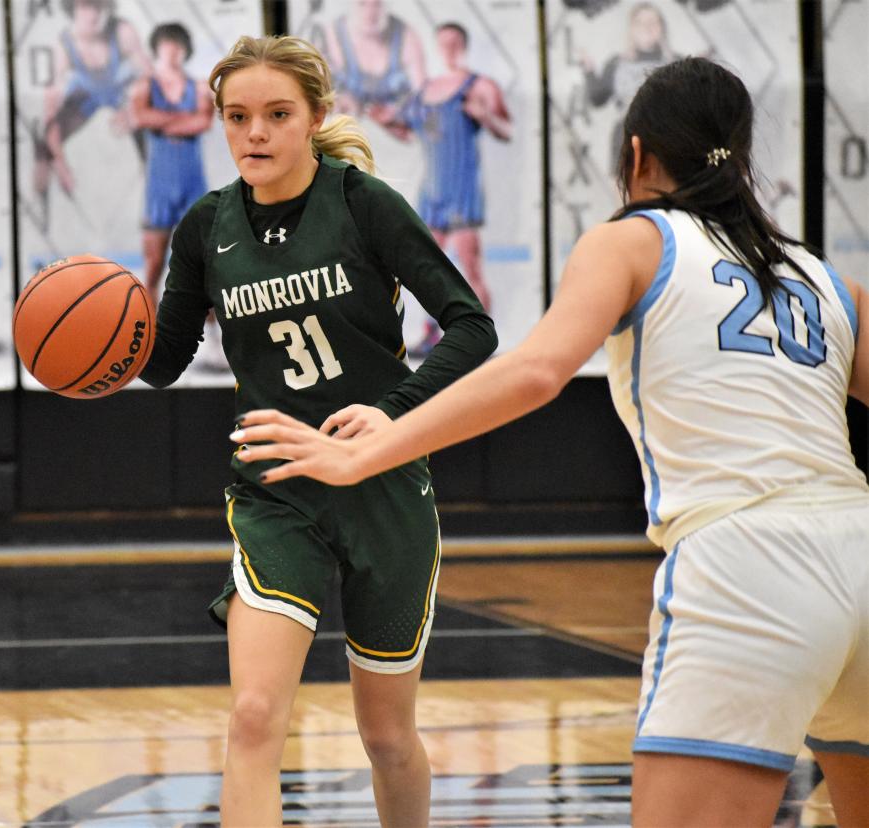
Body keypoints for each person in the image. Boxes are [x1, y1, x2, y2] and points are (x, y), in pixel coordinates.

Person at [232, 57, 869, 826]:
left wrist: (371, 447)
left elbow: (536, 371)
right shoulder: (826, 279)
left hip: (747, 563)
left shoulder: (635, 241)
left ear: (634, 156)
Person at [139, 34, 496, 827]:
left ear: (315, 118)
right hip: (276, 489)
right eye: (237, 117)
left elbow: (473, 329)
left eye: (276, 114)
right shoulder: (207, 227)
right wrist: (101, 349)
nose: (254, 133)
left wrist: (392, 412)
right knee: (254, 717)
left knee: (387, 735)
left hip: (383, 482)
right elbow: (162, 362)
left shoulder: (363, 203)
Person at [399, 22, 511, 332]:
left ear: (463, 45)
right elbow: (404, 129)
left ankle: (483, 335)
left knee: (470, 267)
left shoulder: (479, 86)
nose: (448, 49)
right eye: (443, 43)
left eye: (454, 43)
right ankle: (433, 334)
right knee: (429, 272)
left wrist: (484, 115)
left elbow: (507, 129)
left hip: (462, 192)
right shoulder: (424, 91)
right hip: (433, 193)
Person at [31, 0, 150, 211]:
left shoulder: (122, 30)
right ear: (72, 9)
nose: (93, 15)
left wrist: (135, 112)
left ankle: (155, 198)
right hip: (89, 99)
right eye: (86, 7)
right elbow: (50, 109)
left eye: (98, 7)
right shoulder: (63, 45)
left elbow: (151, 80)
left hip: (122, 95)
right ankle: (40, 200)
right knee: (44, 141)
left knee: (154, 134)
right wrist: (60, 162)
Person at [128, 22, 213, 301]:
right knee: (153, 267)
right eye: (166, 44)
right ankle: (149, 336)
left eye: (177, 44)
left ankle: (213, 339)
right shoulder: (145, 85)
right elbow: (140, 117)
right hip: (160, 186)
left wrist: (161, 122)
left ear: (185, 50)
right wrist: (182, 120)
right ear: (157, 48)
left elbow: (203, 121)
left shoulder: (198, 86)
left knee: (205, 268)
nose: (172, 50)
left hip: (191, 183)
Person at [581, 2, 677, 173]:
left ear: (662, 27)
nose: (647, 27)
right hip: (627, 137)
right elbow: (598, 99)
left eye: (653, 22)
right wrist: (589, 72)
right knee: (627, 196)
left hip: (668, 140)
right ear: (631, 28)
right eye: (640, 22)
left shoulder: (678, 63)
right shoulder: (617, 63)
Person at [318, 0, 426, 133]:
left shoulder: (406, 36)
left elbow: (423, 98)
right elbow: (315, 95)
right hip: (345, 134)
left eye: (377, 4)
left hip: (395, 139)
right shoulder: (331, 35)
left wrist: (397, 113)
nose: (370, 13)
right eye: (362, 3)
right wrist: (338, 100)